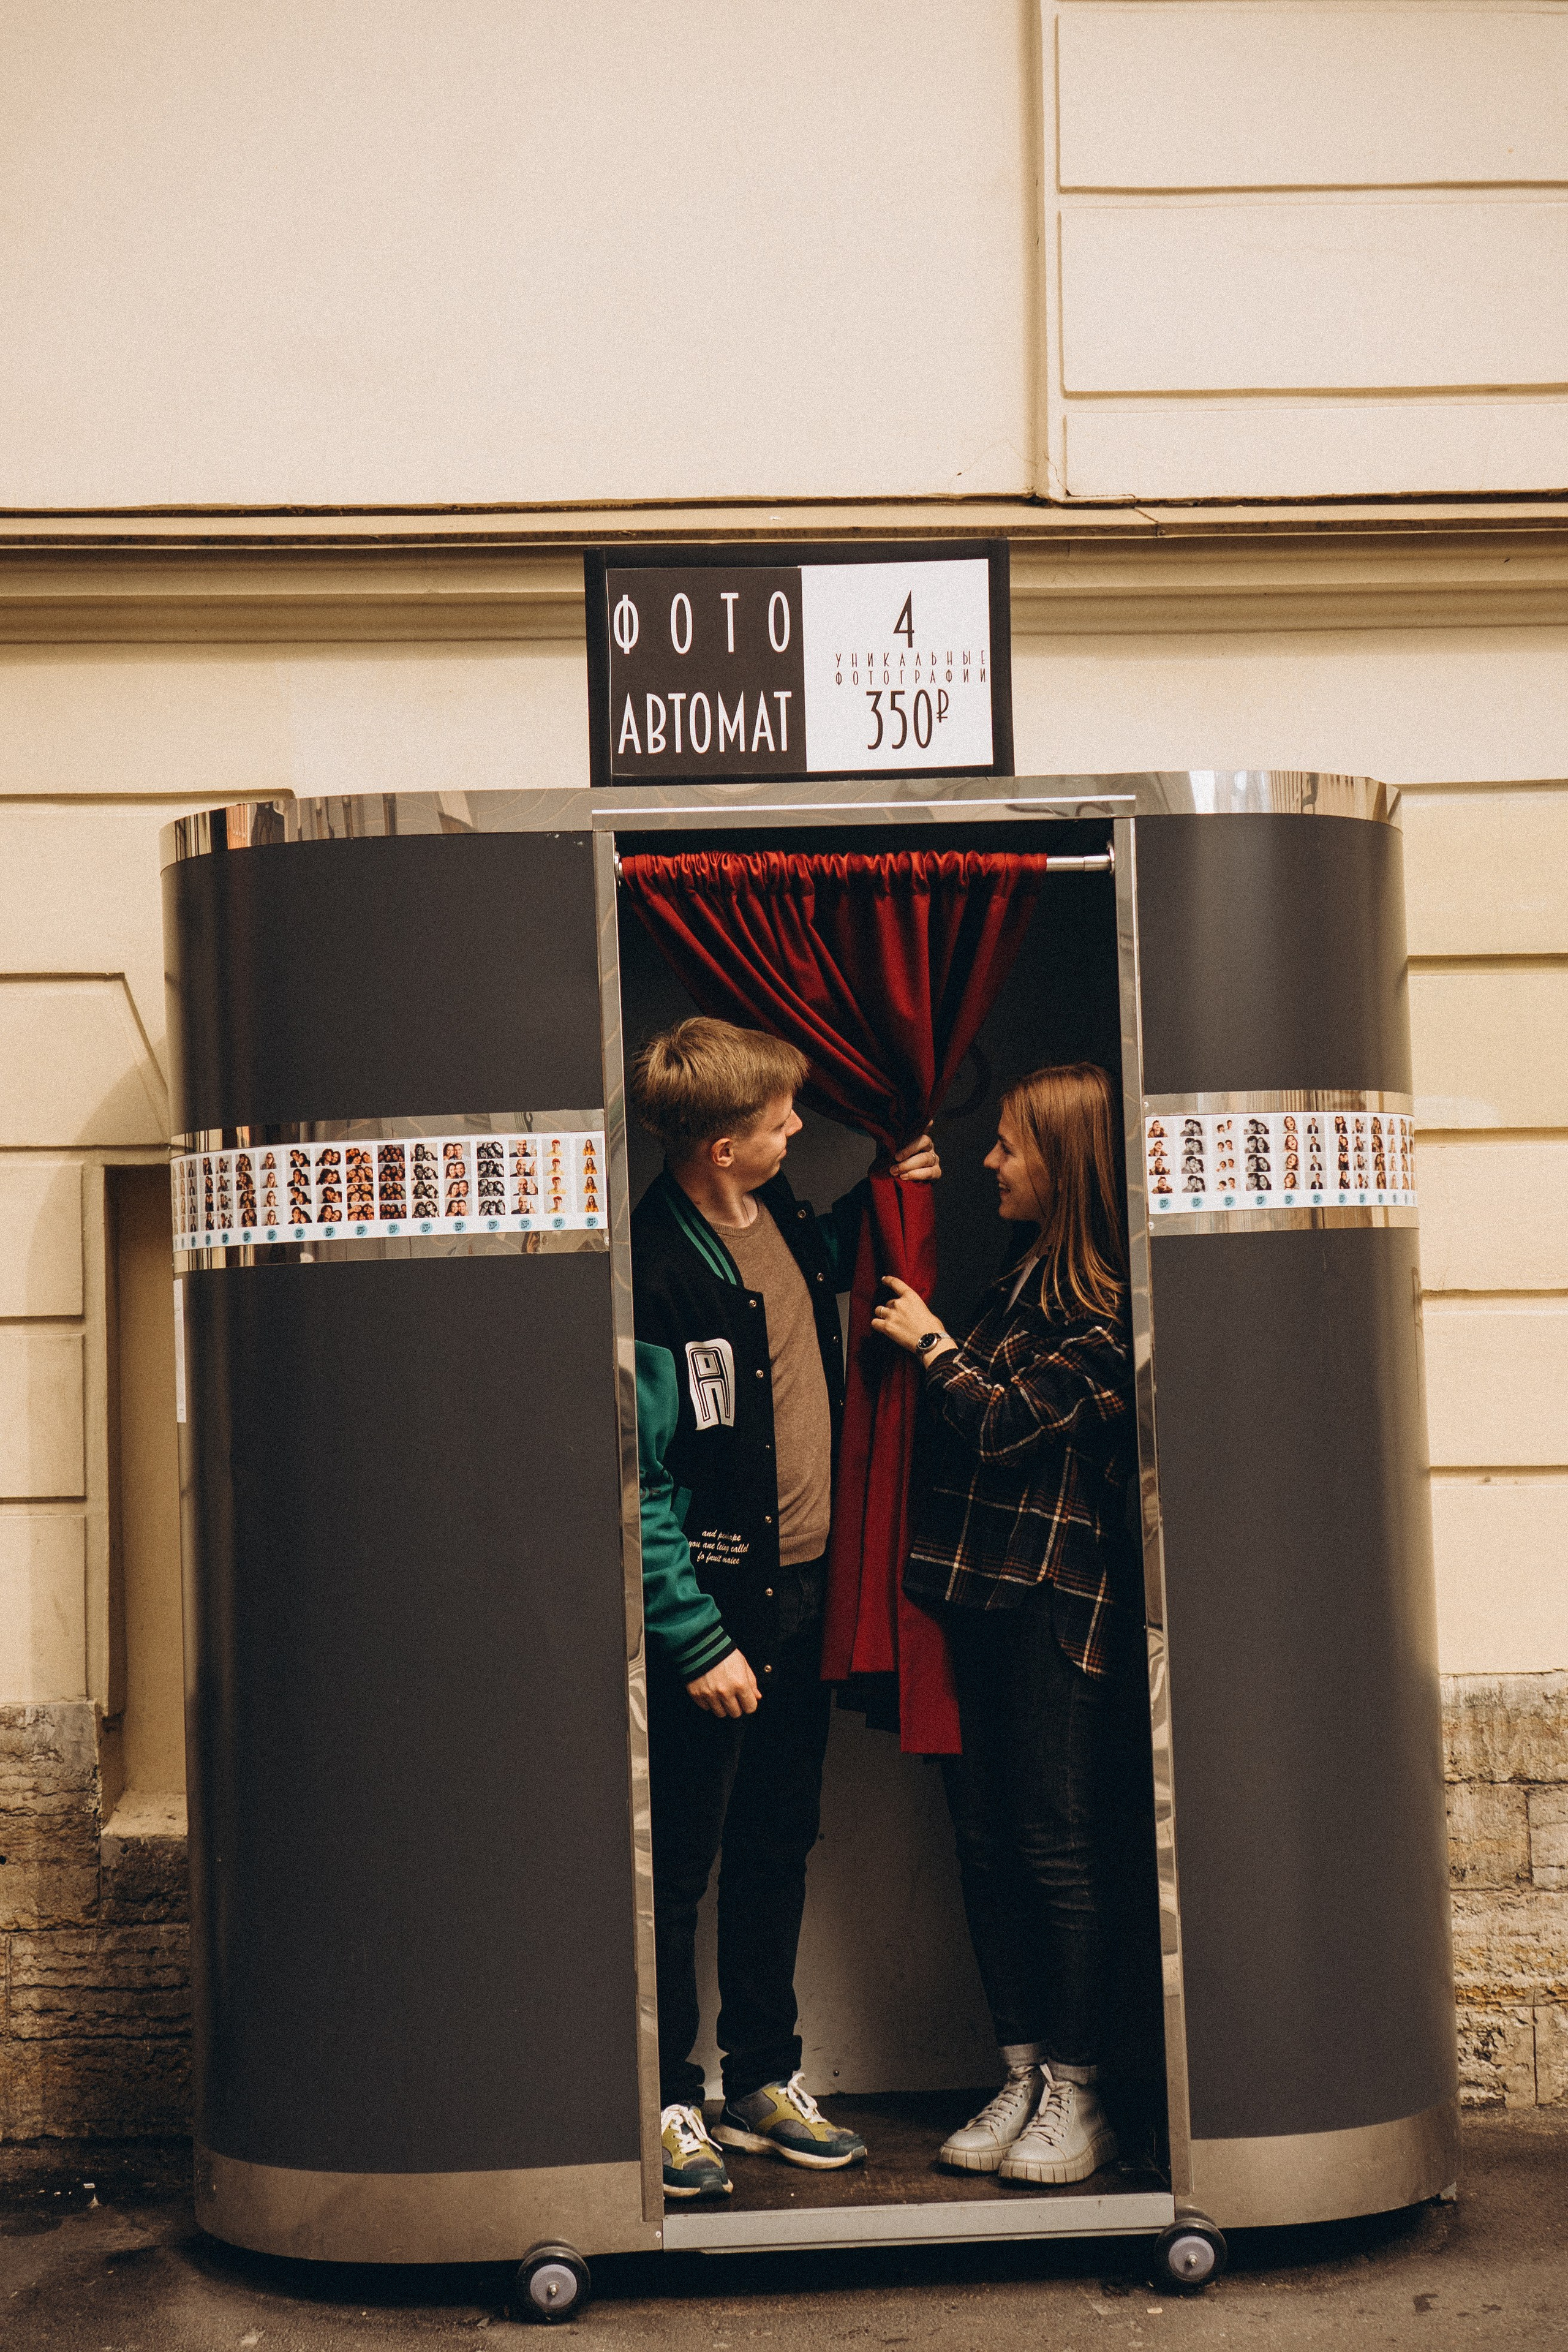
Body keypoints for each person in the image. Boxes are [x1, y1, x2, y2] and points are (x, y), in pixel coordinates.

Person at [630, 1017, 940, 2199]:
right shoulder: (655, 1264)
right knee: (682, 1866)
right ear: (719, 1145)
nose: (795, 1128)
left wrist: (888, 1195)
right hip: (715, 1620)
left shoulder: (789, 1228)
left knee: (776, 1848)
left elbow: (831, 1284)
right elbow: (641, 1477)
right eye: (777, 1120)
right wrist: (693, 1634)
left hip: (807, 1595)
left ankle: (761, 2079)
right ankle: (666, 2097)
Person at [871, 1061, 1137, 2187]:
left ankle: (1080, 2091)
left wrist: (931, 1345)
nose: (991, 1164)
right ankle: (1024, 2071)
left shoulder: (1111, 1310)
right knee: (986, 1847)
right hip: (975, 1595)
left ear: (1064, 1165)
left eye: (1010, 1148)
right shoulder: (1024, 1281)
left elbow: (1004, 1424)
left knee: (1052, 1848)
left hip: (1051, 1610)